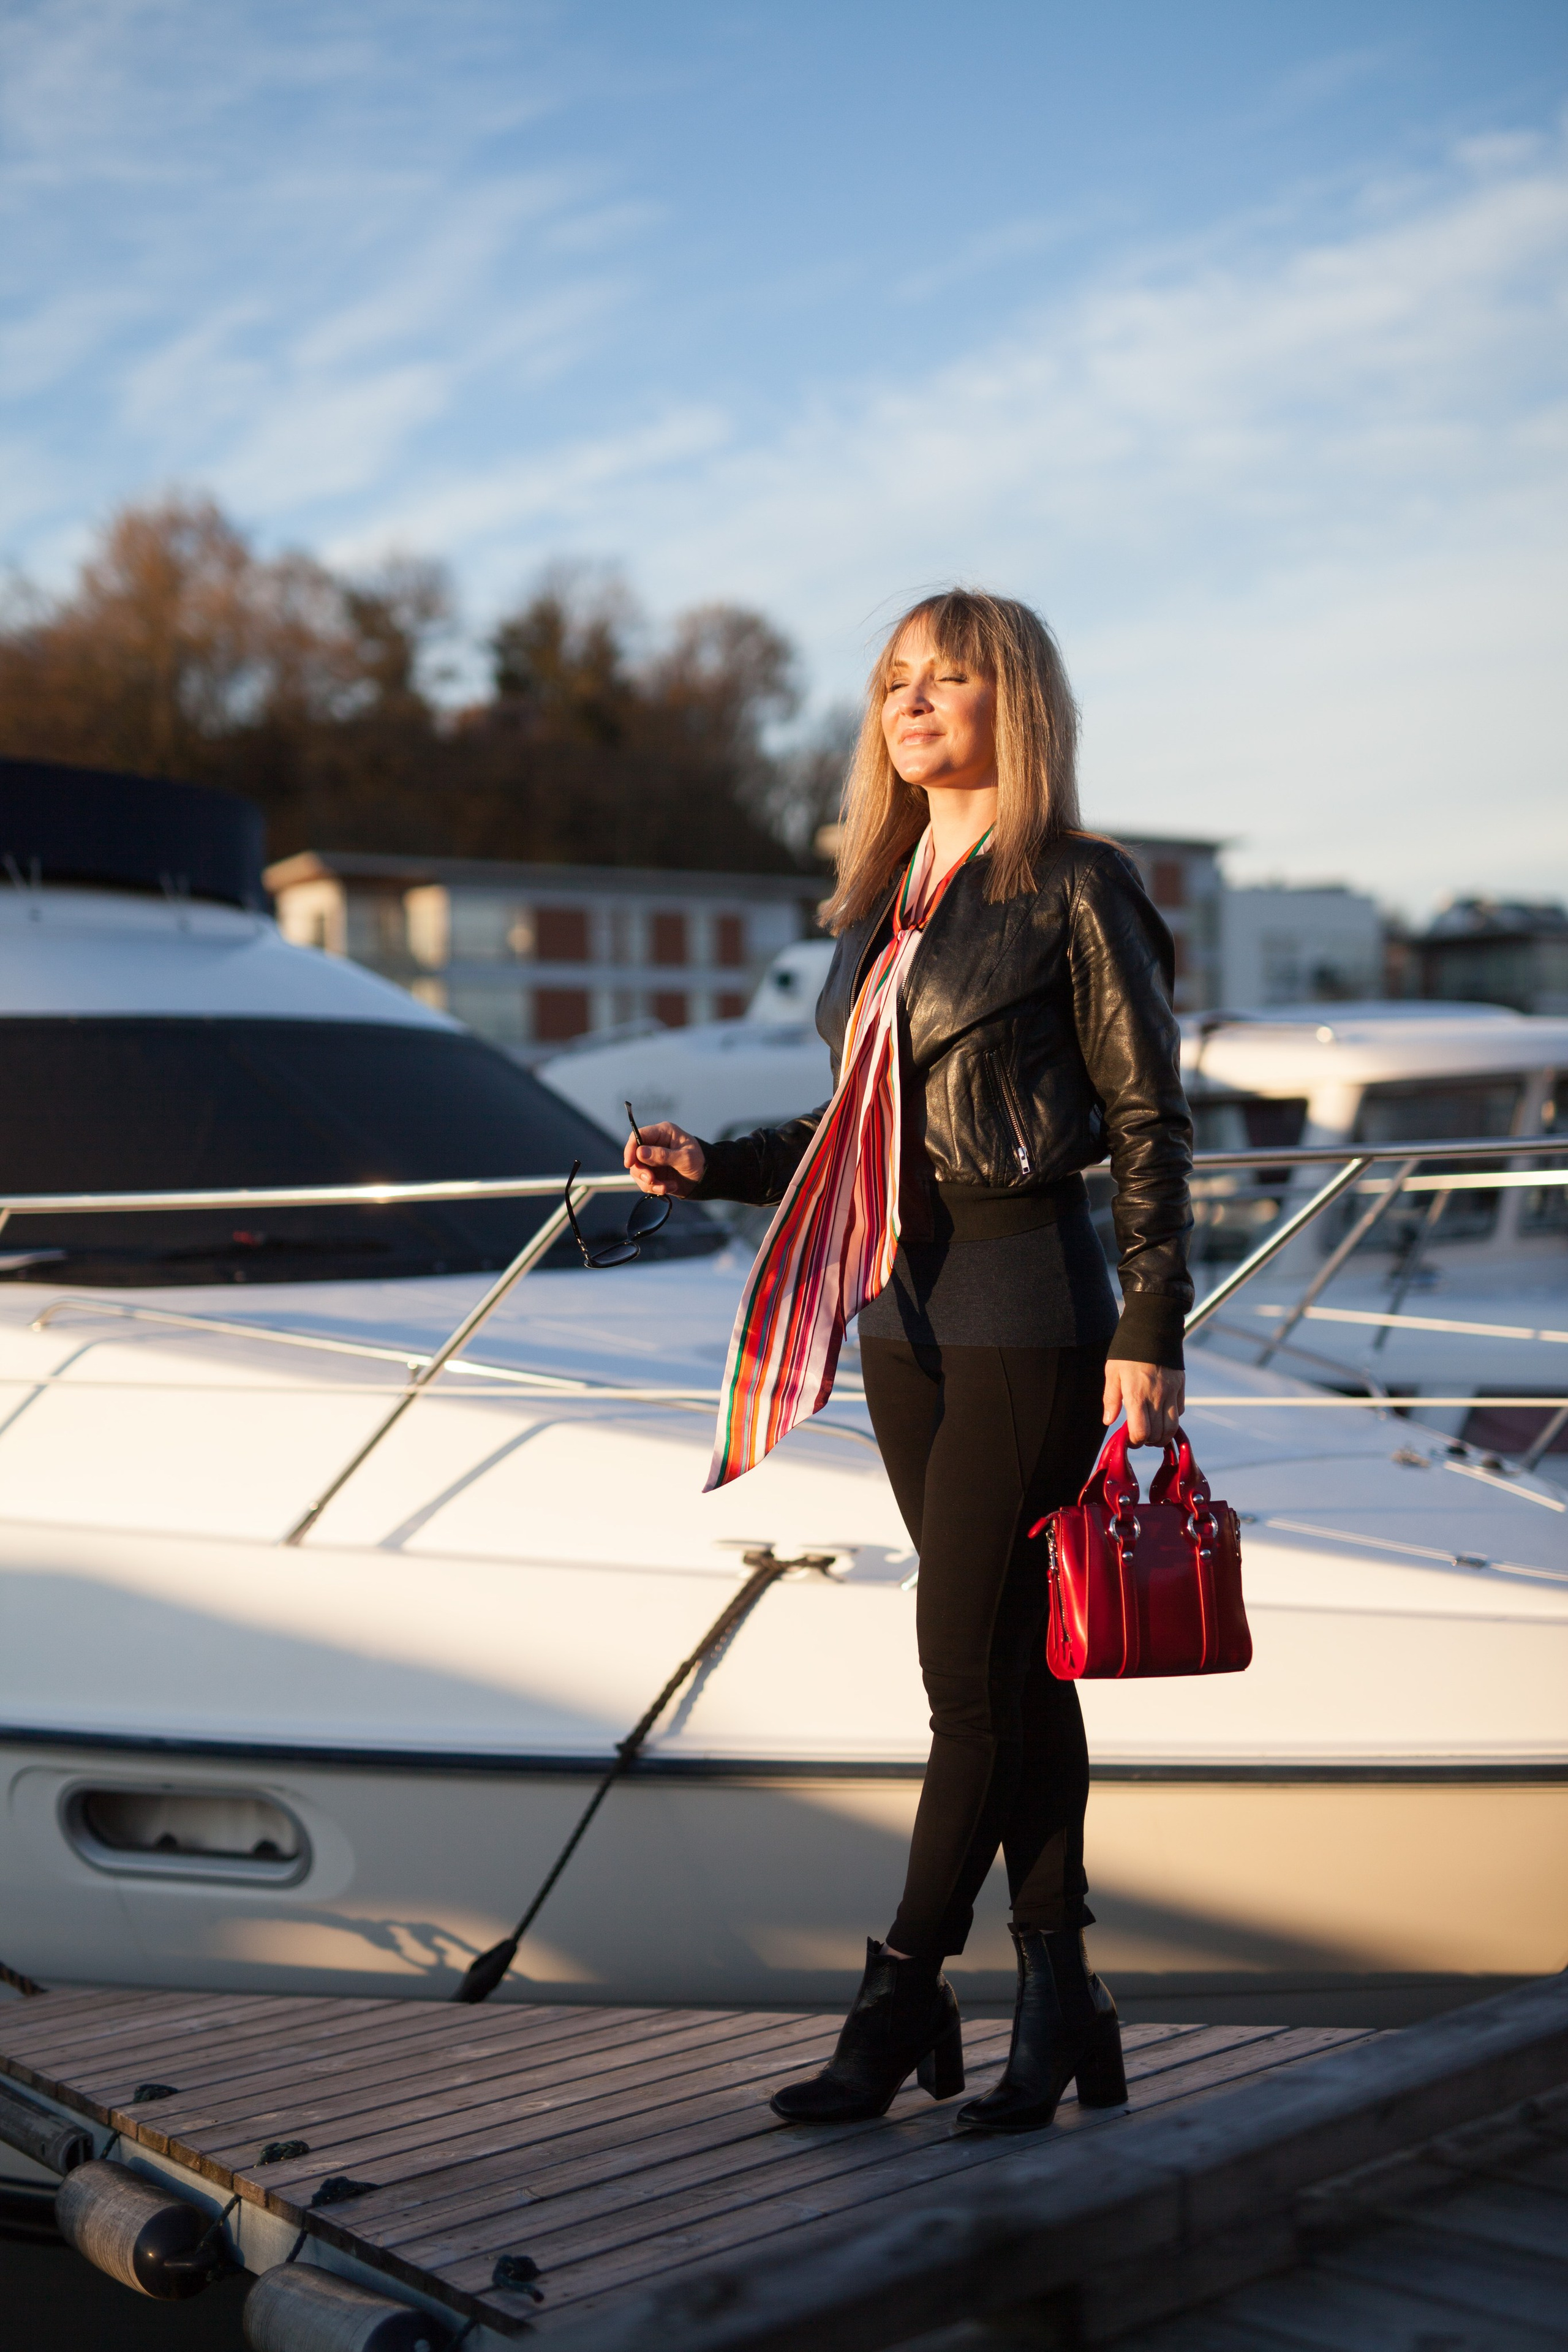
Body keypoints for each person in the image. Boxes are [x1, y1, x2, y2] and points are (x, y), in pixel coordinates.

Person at [625, 589, 1192, 2133]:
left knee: (963, 1687)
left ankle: (897, 1997)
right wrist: (717, 1163)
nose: (912, 703)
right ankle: (1062, 1999)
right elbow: (861, 1126)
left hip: (1026, 1307)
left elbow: (1147, 1119)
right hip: (899, 1314)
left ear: (1018, 702)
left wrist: (1150, 1321)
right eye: (892, 681)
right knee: (1015, 1669)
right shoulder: (888, 901)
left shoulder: (1075, 884)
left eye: (948, 678)